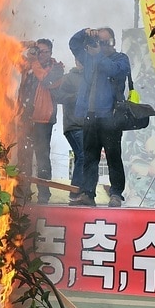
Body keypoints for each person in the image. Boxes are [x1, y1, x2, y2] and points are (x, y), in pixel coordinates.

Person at [69, 27, 131, 207]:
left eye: (106, 42)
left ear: (113, 42)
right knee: (90, 158)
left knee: (113, 157)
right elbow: (73, 44)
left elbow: (113, 70)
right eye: (100, 42)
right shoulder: (89, 58)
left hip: (111, 117)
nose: (103, 45)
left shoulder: (121, 59)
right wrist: (85, 33)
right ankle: (88, 193)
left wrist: (97, 55)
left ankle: (116, 194)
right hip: (90, 116)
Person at [16, 39, 64, 204]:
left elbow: (46, 80)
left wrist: (34, 61)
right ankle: (23, 192)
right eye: (38, 51)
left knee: (42, 157)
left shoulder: (57, 69)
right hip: (25, 118)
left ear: (50, 53)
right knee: (24, 156)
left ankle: (44, 194)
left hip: (43, 120)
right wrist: (24, 46)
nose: (41, 54)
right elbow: (10, 55)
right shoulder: (29, 65)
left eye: (45, 51)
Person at [57, 58, 85, 202]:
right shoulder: (69, 78)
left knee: (84, 156)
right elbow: (59, 96)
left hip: (88, 125)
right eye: (80, 59)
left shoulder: (92, 76)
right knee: (83, 155)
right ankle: (75, 191)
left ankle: (82, 192)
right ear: (76, 61)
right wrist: (77, 96)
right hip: (74, 125)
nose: (82, 62)